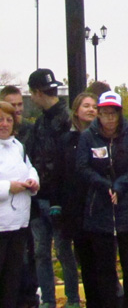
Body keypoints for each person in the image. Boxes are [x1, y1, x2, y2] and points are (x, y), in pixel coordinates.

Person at [76, 91, 128, 308]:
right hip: (99, 205)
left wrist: (120, 185)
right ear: (98, 114)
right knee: (104, 266)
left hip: (127, 205)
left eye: (113, 113)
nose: (109, 118)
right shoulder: (88, 137)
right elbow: (82, 167)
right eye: (105, 113)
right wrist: (103, 184)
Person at [26, 68, 81, 308]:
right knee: (42, 252)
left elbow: (65, 163)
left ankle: (72, 299)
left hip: (58, 198)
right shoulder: (40, 123)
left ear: (37, 93)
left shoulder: (66, 121)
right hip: (39, 197)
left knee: (62, 250)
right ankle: (48, 300)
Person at [58, 93, 99, 308]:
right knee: (84, 259)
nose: (91, 110)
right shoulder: (67, 140)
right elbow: (60, 174)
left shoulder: (103, 138)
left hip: (99, 206)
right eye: (86, 106)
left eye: (94, 106)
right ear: (76, 110)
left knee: (103, 260)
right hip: (76, 207)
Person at [0, 85, 37, 308]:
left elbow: (29, 168)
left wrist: (33, 181)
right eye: (0, 120)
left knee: (12, 281)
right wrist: (7, 187)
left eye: (8, 120)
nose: (4, 124)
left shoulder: (18, 147)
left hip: (19, 225)